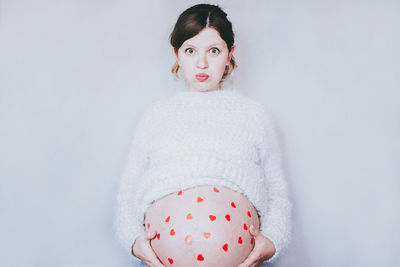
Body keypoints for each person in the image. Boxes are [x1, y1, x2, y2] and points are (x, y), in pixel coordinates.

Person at [114, 4, 291, 267]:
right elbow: (127, 193)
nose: (202, 63)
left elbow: (278, 193)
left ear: (230, 53)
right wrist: (134, 241)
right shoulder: (156, 116)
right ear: (177, 54)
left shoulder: (254, 115)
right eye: (190, 51)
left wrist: (273, 241)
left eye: (214, 51)